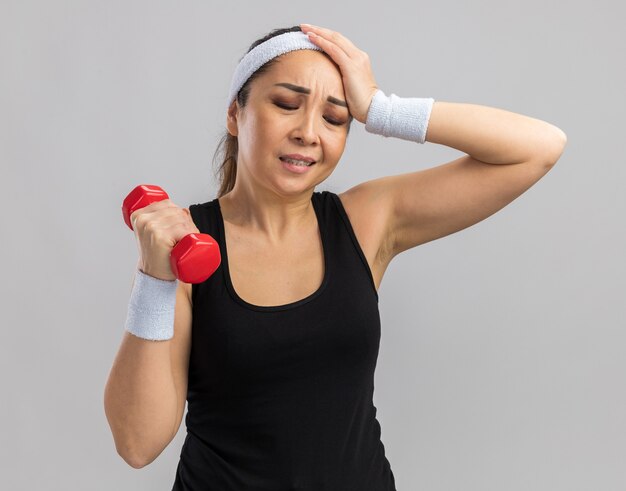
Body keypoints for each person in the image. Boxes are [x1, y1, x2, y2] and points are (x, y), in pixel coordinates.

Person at [104, 24, 567, 490]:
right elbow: (138, 444)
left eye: (335, 118)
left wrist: (384, 109)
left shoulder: (368, 221)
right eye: (286, 104)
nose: (308, 133)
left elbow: (537, 148)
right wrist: (154, 279)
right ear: (234, 113)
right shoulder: (183, 250)